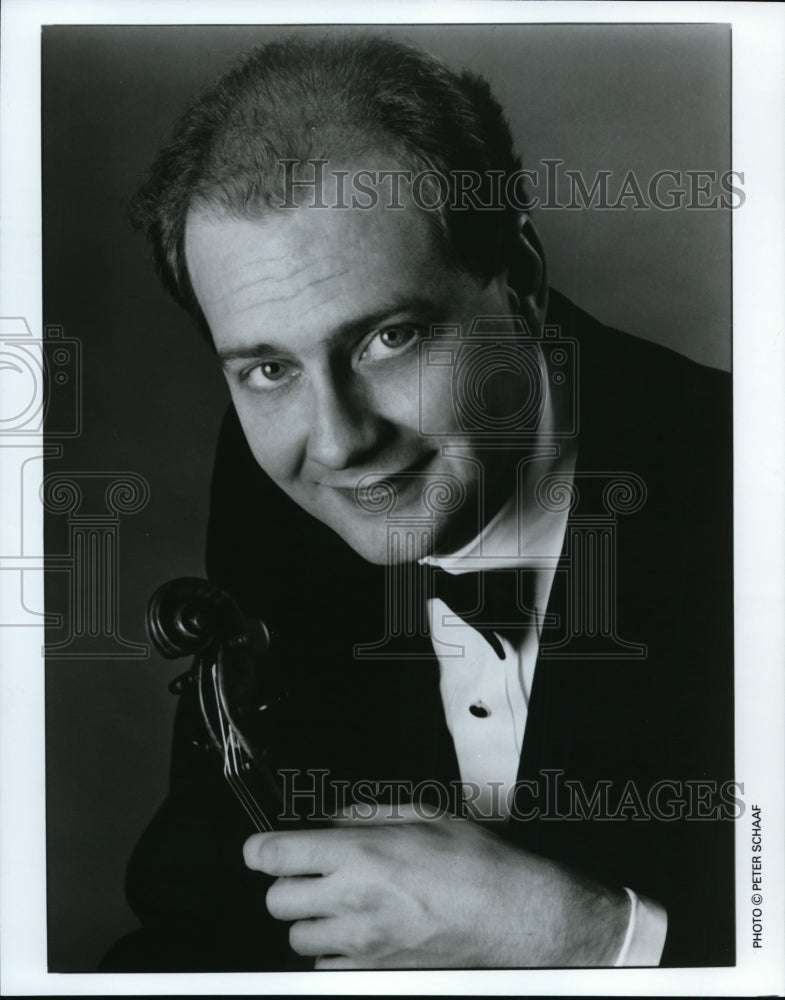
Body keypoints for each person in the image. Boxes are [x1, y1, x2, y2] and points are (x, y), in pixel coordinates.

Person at [102, 34, 735, 971]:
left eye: (390, 338)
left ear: (518, 281)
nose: (339, 442)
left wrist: (589, 936)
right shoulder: (273, 484)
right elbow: (201, 904)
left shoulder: (740, 481)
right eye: (269, 367)